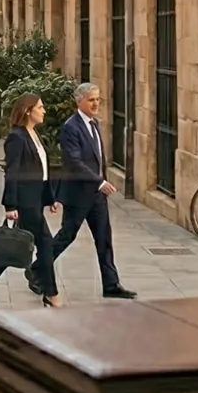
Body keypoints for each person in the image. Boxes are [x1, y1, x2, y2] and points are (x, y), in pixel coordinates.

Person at [0, 92, 62, 308]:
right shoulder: (17, 137)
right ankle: (52, 294)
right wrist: (10, 205)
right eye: (40, 107)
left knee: (13, 246)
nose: (44, 111)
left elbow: (42, 171)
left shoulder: (34, 135)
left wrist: (50, 198)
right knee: (46, 246)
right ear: (28, 111)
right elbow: (12, 172)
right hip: (24, 203)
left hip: (36, 200)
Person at [51, 82, 137, 299]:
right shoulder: (71, 127)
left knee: (104, 238)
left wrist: (101, 183)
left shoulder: (94, 124)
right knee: (67, 235)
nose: (96, 103)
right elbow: (74, 162)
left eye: (98, 99)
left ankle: (111, 284)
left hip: (97, 196)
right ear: (79, 101)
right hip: (78, 194)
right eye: (91, 100)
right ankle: (37, 268)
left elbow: (98, 159)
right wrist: (99, 182)